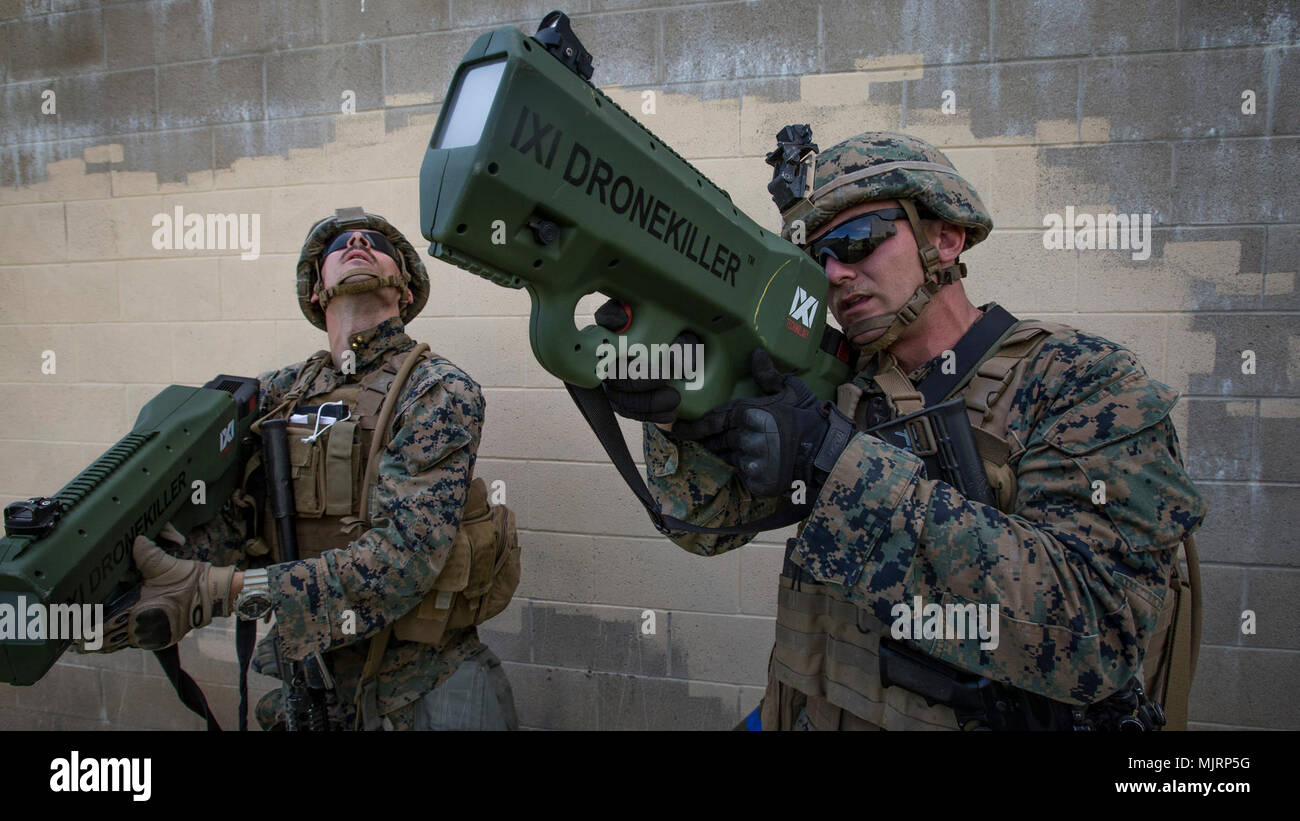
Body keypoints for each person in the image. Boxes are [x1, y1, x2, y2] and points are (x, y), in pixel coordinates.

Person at [602, 132, 1207, 730]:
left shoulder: (1082, 382)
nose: (836, 273)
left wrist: (831, 461)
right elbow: (705, 531)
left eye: (857, 241)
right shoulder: (834, 384)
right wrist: (680, 414)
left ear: (944, 237)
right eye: (817, 258)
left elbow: (1098, 633)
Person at [96, 207, 520, 731]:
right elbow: (233, 521)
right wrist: (139, 582)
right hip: (311, 685)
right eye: (339, 243)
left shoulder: (435, 388)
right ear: (317, 292)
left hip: (426, 691)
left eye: (376, 242)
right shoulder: (276, 394)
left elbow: (402, 560)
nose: (358, 241)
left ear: (405, 292)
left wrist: (221, 590)